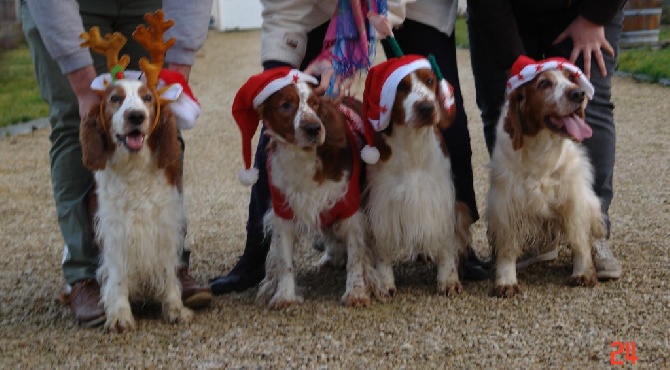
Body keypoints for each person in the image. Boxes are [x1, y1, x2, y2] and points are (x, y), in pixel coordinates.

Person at [211, 0, 490, 295]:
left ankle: (459, 245)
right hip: (324, 8)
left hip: (417, 5)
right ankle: (259, 250)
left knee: (446, 121)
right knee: (285, 121)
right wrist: (279, 72)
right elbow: (283, 8)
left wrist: (347, 49)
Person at [21, 0, 214, 327]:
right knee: (75, 121)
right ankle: (86, 275)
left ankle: (169, 266)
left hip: (151, 6)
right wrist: (83, 85)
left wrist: (178, 67)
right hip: (67, 7)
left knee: (163, 115)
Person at [466, 0, 624, 279]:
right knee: (499, 106)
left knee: (593, 106)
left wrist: (595, 16)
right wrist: (511, 61)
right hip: (500, 10)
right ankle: (520, 239)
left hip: (583, 7)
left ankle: (590, 235)